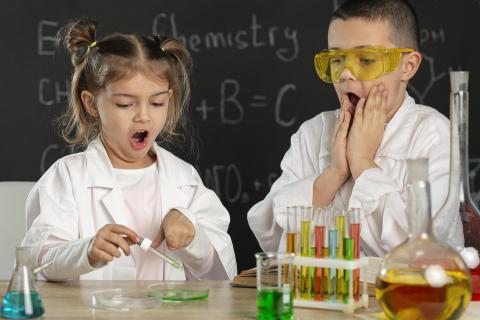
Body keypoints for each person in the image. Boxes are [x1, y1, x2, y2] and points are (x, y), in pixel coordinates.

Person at [22, 18, 237, 281]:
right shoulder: (67, 177)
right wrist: (85, 252)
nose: (143, 117)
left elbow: (221, 274)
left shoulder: (185, 180)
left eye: (157, 103)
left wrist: (193, 235)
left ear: (169, 99)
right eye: (125, 105)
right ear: (91, 104)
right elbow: (38, 261)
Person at [247, 0, 464, 256]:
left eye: (366, 59)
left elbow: (422, 249)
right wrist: (335, 172)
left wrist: (361, 161)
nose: (346, 74)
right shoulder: (313, 133)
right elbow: (271, 235)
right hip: (321, 293)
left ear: (408, 65)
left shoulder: (432, 134)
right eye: (337, 60)